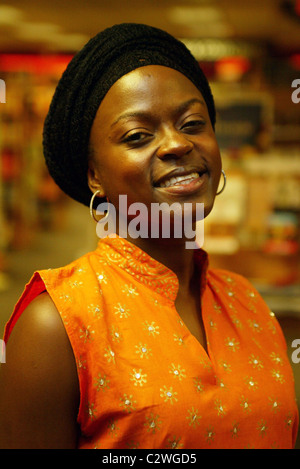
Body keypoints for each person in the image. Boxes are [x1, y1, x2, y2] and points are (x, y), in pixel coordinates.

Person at [0, 23, 298, 450]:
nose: (177, 144)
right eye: (138, 135)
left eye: (193, 123)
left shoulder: (247, 301)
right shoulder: (56, 326)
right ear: (94, 175)